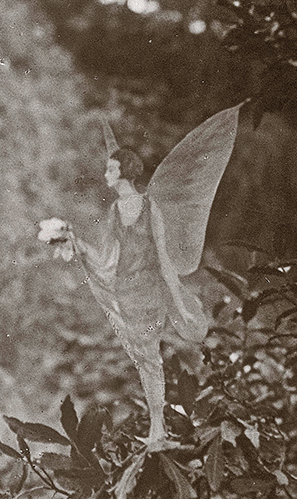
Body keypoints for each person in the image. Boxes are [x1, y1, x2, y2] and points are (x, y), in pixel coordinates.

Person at [74, 148, 208, 451]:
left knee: (149, 360)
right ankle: (157, 429)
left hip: (149, 294)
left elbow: (164, 260)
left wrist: (182, 305)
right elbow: (108, 261)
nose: (106, 175)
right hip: (126, 293)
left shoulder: (150, 208)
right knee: (144, 360)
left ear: (124, 173)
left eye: (111, 169)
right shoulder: (114, 212)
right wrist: (78, 244)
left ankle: (158, 430)